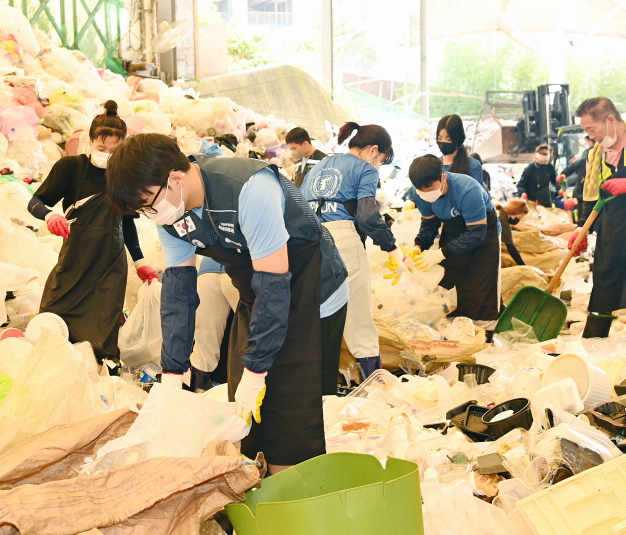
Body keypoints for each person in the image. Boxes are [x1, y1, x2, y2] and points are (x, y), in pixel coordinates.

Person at [106, 133, 348, 474]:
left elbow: (275, 287)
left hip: (310, 288)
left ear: (174, 178)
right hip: (256, 293)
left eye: (148, 204)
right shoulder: (170, 214)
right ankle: (260, 475)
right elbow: (179, 294)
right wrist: (172, 374)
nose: (150, 215)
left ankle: (297, 488)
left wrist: (257, 371)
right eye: (141, 211)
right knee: (244, 397)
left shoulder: (248, 188)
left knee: (289, 398)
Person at [27, 101, 158, 368]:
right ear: (90, 142)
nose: (107, 155)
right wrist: (50, 216)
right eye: (101, 148)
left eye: (114, 151)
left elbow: (127, 223)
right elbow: (35, 202)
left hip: (110, 266)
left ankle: (99, 373)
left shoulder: (123, 177)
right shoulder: (70, 168)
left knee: (102, 332)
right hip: (74, 261)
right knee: (53, 319)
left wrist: (140, 262)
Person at [300, 122, 403, 380]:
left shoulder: (318, 166)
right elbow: (367, 215)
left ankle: (317, 385)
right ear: (373, 150)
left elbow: (297, 207)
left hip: (310, 242)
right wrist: (392, 248)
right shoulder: (365, 168)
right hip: (343, 239)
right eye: (380, 160)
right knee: (359, 322)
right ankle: (375, 384)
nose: (377, 166)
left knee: (317, 317)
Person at [408, 155, 502, 332]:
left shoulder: (468, 190)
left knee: (481, 282)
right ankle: (455, 330)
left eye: (430, 188)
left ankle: (486, 331)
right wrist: (418, 246)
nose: (425, 193)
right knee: (451, 279)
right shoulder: (420, 194)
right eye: (420, 190)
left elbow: (476, 234)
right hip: (452, 229)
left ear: (443, 177)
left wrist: (440, 253)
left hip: (483, 233)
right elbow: (430, 224)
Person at [569, 97, 626, 338]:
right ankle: (594, 344)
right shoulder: (595, 156)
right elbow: (591, 197)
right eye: (587, 132)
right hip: (612, 231)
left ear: (611, 120)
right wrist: (581, 229)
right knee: (604, 286)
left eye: (592, 129)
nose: (591, 137)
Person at [189, 257, 239, 391]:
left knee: (204, 342)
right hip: (241, 267)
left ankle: (199, 394)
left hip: (208, 268)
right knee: (253, 337)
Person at [436, 115, 484, 187]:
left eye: (448, 139)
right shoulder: (435, 166)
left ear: (459, 140)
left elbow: (476, 193)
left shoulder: (472, 166)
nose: (443, 142)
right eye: (439, 138)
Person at [497, 199, 528, 266]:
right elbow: (510, 246)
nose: (518, 220)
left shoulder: (500, 212)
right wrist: (523, 265)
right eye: (519, 217)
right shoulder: (502, 220)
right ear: (514, 212)